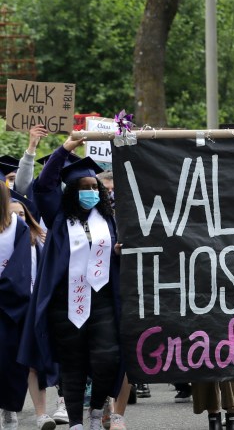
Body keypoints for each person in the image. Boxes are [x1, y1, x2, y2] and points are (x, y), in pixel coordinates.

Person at [25, 138, 124, 430]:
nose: (91, 192)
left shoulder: (108, 220)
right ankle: (77, 423)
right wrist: (65, 149)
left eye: (95, 188)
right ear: (71, 193)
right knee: (73, 364)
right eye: (84, 188)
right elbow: (44, 185)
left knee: (108, 358)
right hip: (65, 302)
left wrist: (118, 251)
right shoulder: (57, 217)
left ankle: (96, 411)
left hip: (103, 299)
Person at [9, 197, 61, 430]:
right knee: (6, 364)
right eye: (10, 214)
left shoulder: (35, 242)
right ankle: (8, 411)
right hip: (5, 310)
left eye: (21, 214)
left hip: (30, 308)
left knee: (33, 363)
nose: (16, 219)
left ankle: (41, 414)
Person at [0, 162, 32, 430]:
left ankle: (9, 409)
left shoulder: (17, 228)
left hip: (8, 307)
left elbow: (21, 268)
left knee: (9, 361)